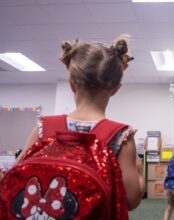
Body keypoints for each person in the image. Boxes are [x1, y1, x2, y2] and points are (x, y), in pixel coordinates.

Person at [13, 35, 145, 212]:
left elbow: (14, 179)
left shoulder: (43, 128)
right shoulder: (121, 136)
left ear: (71, 84)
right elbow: (131, 200)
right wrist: (139, 171)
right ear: (115, 89)